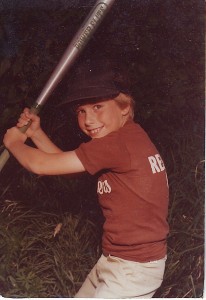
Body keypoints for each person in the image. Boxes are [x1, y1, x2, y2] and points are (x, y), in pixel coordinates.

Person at [3, 56, 169, 298]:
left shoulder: (115, 144)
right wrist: (37, 134)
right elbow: (65, 166)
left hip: (134, 268)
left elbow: (40, 165)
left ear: (124, 107)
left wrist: (14, 143)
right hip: (117, 260)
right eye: (81, 111)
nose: (89, 120)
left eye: (97, 107)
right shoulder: (129, 137)